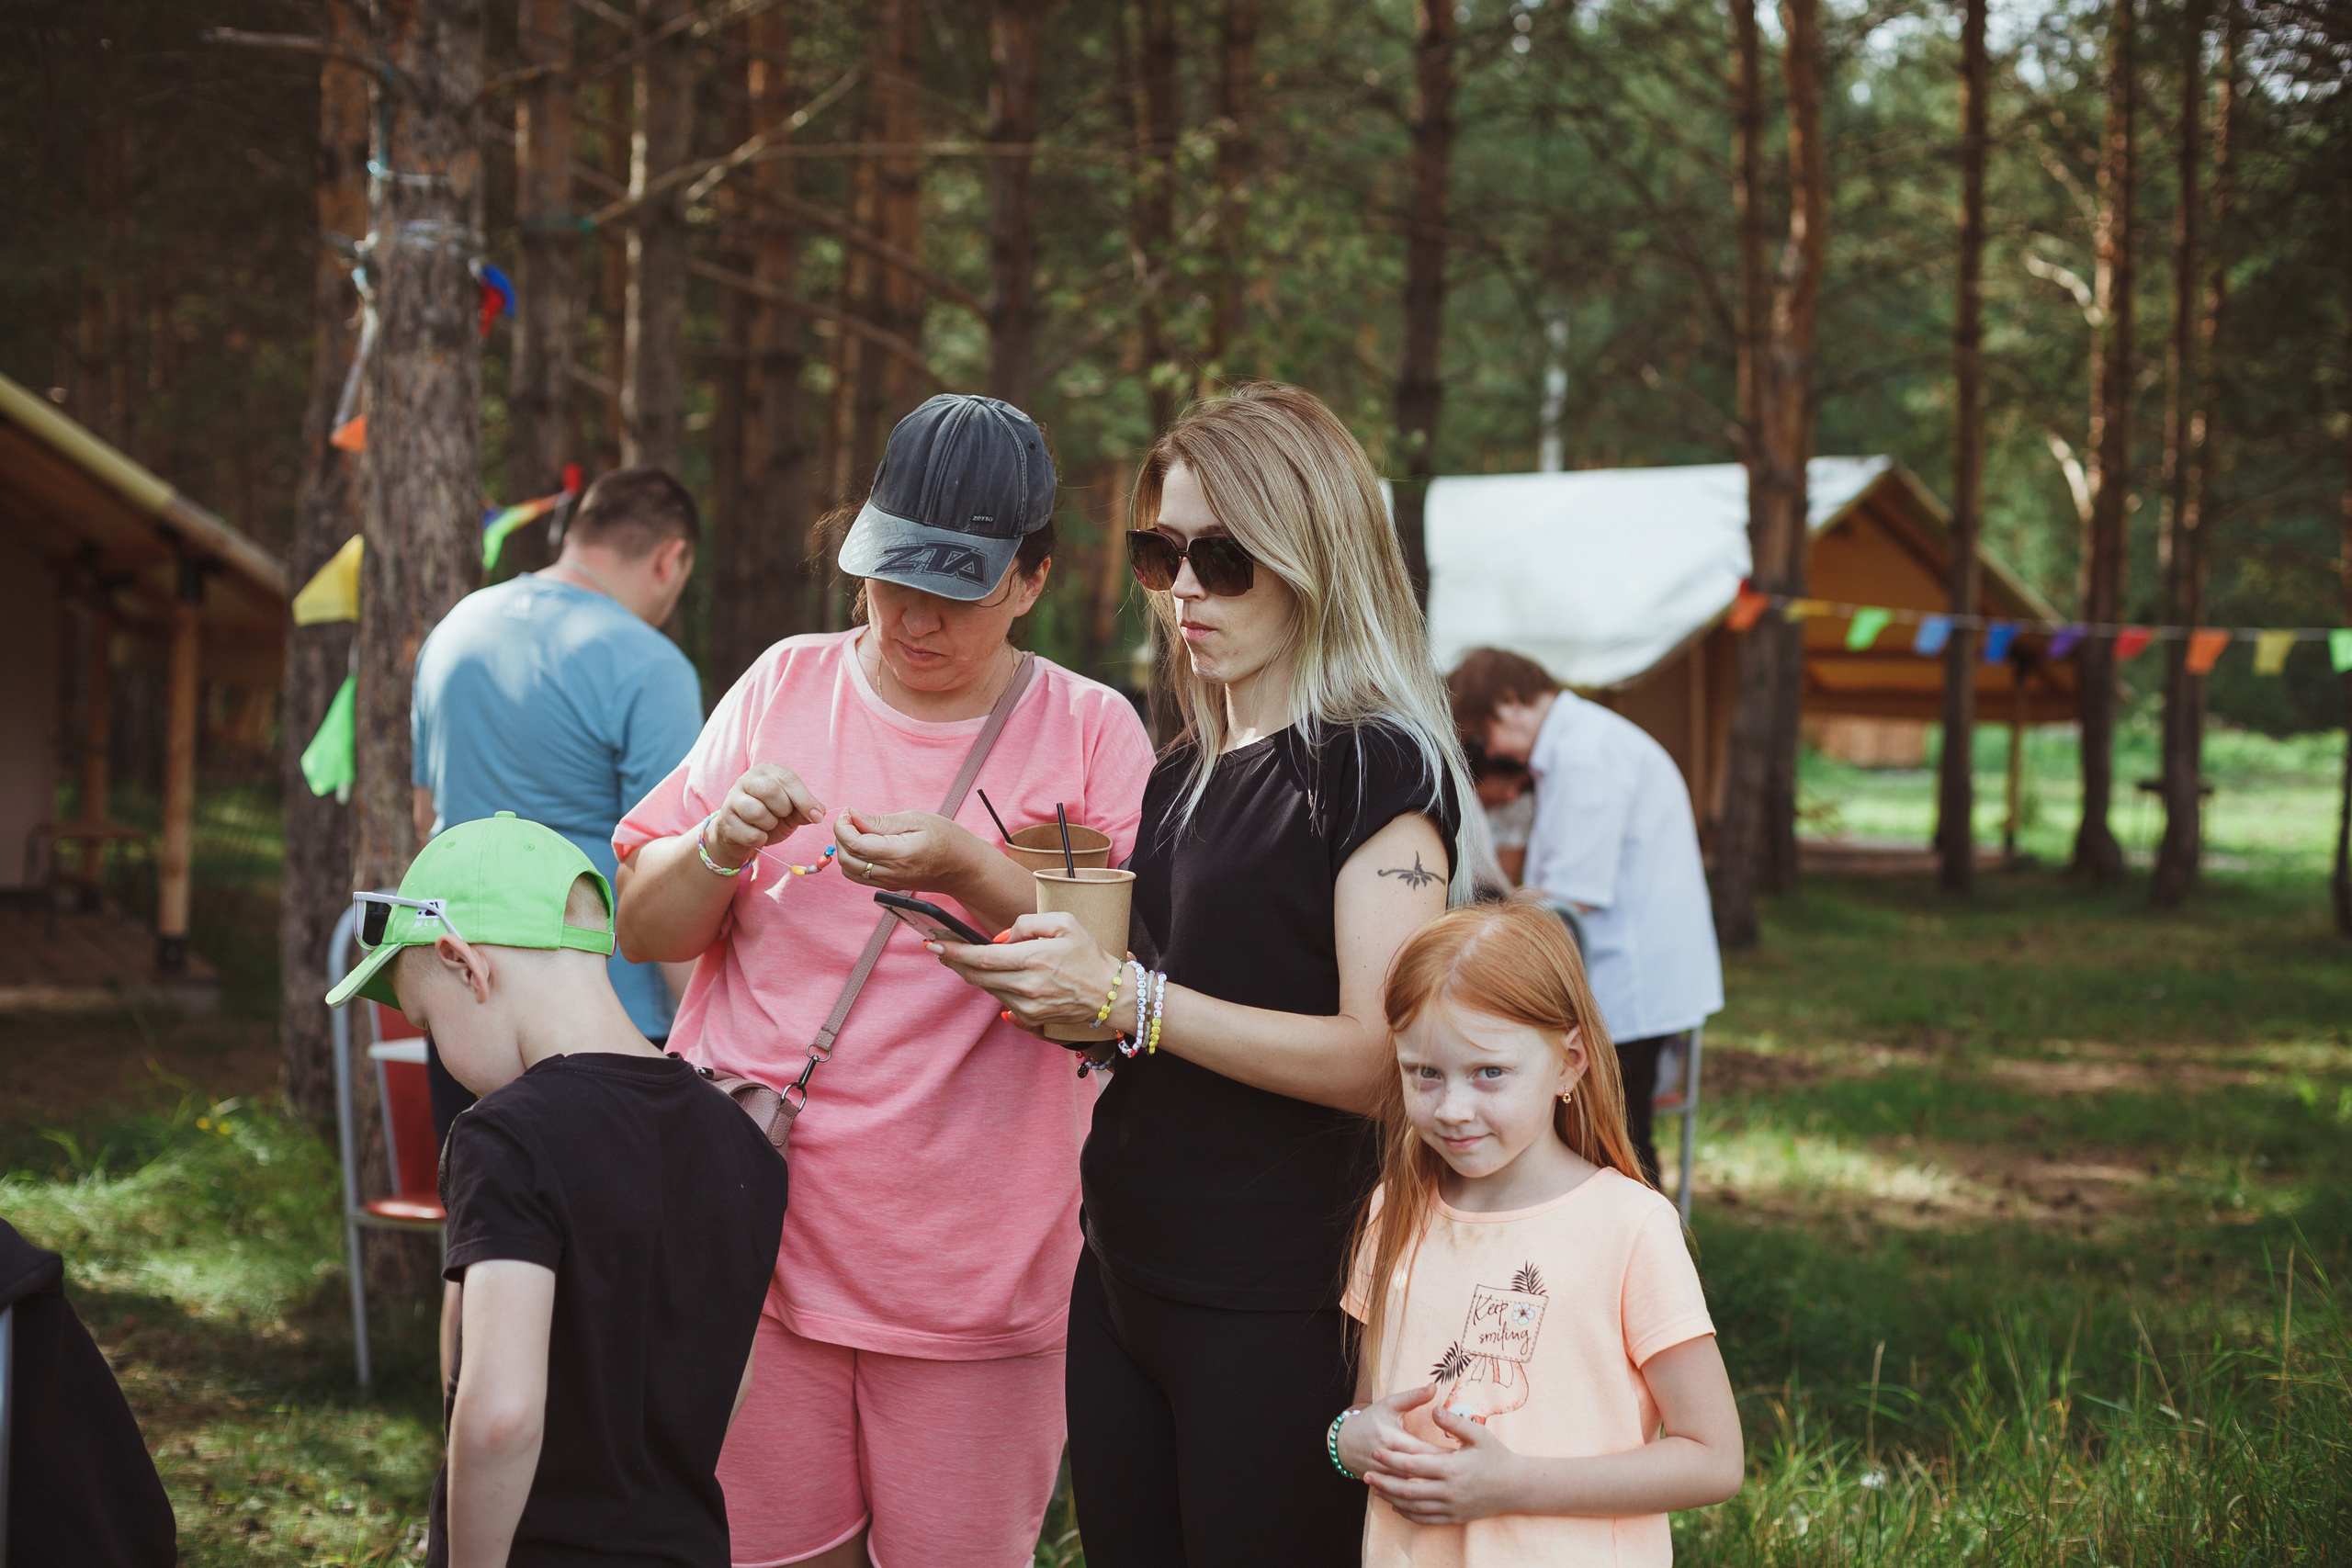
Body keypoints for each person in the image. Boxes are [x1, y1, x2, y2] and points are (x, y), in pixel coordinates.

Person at [933, 383, 1477, 1568]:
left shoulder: (1371, 768)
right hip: (1126, 1270)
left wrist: (1135, 1003)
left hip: (1278, 1291)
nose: (1183, 589)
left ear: (1312, 557)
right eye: (1159, 553)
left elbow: (1383, 1064)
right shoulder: (1181, 768)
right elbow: (1167, 1006)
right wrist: (1077, 997)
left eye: (1223, 559)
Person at [612, 393, 1156, 1568]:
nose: (913, 618)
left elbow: (1126, 984)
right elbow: (643, 931)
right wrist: (717, 845)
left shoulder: (1093, 731)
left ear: (1032, 580)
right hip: (752, 1239)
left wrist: (971, 866)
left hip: (976, 1275)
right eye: (889, 577)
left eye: (956, 590)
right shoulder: (782, 685)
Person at [324, 812, 786, 1567]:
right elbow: (732, 1383)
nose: (441, 1053)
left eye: (429, 1022)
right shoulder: (738, 1134)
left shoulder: (507, 1136)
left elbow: (500, 1413)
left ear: (465, 965)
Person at [1333, 897, 1742, 1565]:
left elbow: (1714, 1457)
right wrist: (1348, 1441)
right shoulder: (1394, 1209)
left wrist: (1513, 1484)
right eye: (1424, 1073)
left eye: (1489, 1072)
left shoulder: (1629, 1226)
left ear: (1569, 1062)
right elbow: (1364, 1410)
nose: (1453, 1108)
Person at [1447, 648, 1723, 1185]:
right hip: (1617, 974)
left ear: (1510, 703)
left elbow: (1572, 896)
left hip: (1629, 983)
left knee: (1618, 1144)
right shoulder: (1578, 747)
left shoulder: (1588, 755)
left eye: (1485, 736)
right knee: (1607, 1138)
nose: (1492, 752)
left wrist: (1487, 910)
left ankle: (1643, 1256)